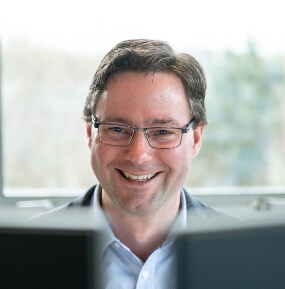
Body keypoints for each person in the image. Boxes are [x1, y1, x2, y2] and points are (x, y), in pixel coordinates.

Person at [35, 39, 238, 288]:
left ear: (195, 139)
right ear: (90, 133)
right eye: (117, 129)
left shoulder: (250, 254)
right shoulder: (20, 254)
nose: (138, 154)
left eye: (163, 131)